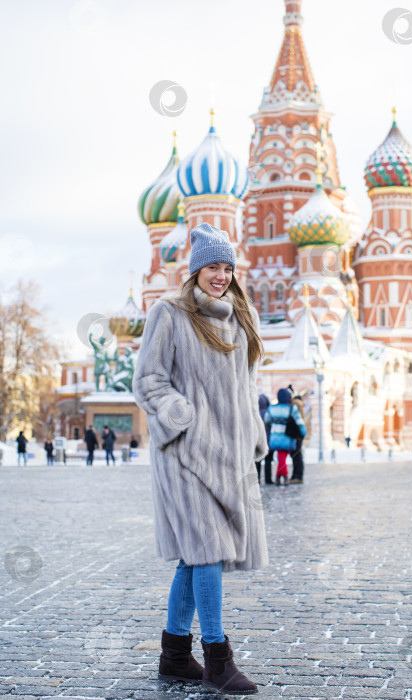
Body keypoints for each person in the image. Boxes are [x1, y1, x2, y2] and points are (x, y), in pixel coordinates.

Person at [133, 222, 269, 695]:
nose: (222, 275)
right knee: (208, 551)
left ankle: (173, 655)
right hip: (185, 456)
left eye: (228, 267)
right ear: (195, 271)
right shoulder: (169, 314)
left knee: (194, 561)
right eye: (213, 266)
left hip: (228, 458)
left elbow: (244, 389)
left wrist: (251, 434)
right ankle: (217, 658)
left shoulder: (237, 317)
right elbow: (149, 380)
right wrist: (184, 420)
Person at [264, 388, 306, 486]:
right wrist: (303, 433)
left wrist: (274, 426)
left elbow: (267, 421)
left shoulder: (271, 408)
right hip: (288, 437)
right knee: (283, 457)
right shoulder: (292, 408)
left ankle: (279, 478)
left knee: (281, 457)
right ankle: (284, 477)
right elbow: (299, 422)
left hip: (275, 437)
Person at [255, 394, 274, 484]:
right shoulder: (269, 412)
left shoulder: (254, 413)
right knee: (268, 461)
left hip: (257, 441)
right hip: (269, 440)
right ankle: (268, 479)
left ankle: (257, 479)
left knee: (257, 461)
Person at [290, 393, 306, 484]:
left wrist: (302, 433)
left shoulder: (295, 405)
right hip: (298, 434)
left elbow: (298, 421)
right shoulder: (299, 405)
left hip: (296, 434)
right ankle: (296, 475)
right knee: (297, 454)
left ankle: (297, 475)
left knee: (296, 455)